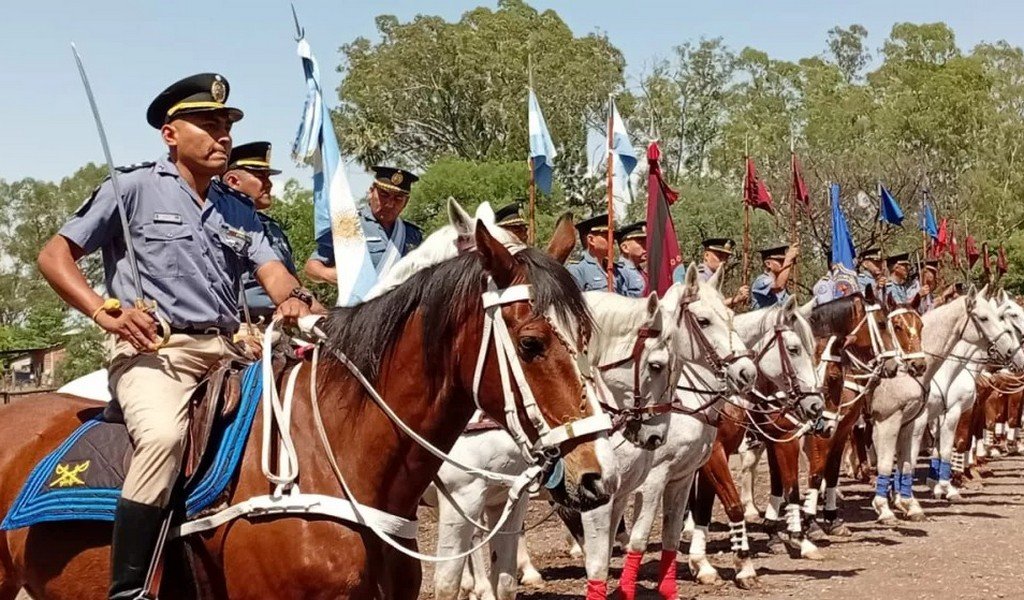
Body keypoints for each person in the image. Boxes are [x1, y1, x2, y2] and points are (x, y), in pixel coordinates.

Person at [36, 73, 319, 600]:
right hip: (156, 354)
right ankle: (130, 588)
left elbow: (273, 272)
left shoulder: (238, 209)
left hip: (232, 349)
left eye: (227, 126)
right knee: (164, 438)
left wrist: (295, 298)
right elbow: (54, 256)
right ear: (171, 135)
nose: (223, 137)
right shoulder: (132, 188)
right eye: (209, 125)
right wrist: (105, 312)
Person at [303, 165, 423, 283]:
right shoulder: (350, 225)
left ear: (406, 202)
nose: (390, 204)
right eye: (384, 195)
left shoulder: (412, 234)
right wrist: (331, 275)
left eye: (398, 199)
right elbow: (311, 267)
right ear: (371, 192)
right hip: (361, 301)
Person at [222, 141, 297, 323]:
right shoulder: (219, 224)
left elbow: (291, 279)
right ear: (233, 181)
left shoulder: (272, 227)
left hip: (280, 324)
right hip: (240, 327)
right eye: (261, 177)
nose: (269, 184)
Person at [675, 237, 749, 308]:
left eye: (726, 257)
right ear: (706, 255)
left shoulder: (714, 277)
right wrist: (735, 299)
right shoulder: (700, 278)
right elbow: (706, 308)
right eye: (720, 256)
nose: (724, 261)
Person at [567, 214, 616, 291]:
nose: (613, 241)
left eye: (613, 237)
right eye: (607, 237)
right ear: (591, 240)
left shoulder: (611, 267)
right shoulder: (577, 268)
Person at [750, 243, 800, 309]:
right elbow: (778, 286)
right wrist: (788, 260)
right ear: (768, 264)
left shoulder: (784, 290)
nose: (784, 263)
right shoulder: (761, 281)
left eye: (784, 260)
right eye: (781, 261)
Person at [614, 221, 647, 297]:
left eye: (646, 242)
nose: (646, 246)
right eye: (641, 242)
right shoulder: (619, 273)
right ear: (625, 248)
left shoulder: (641, 271)